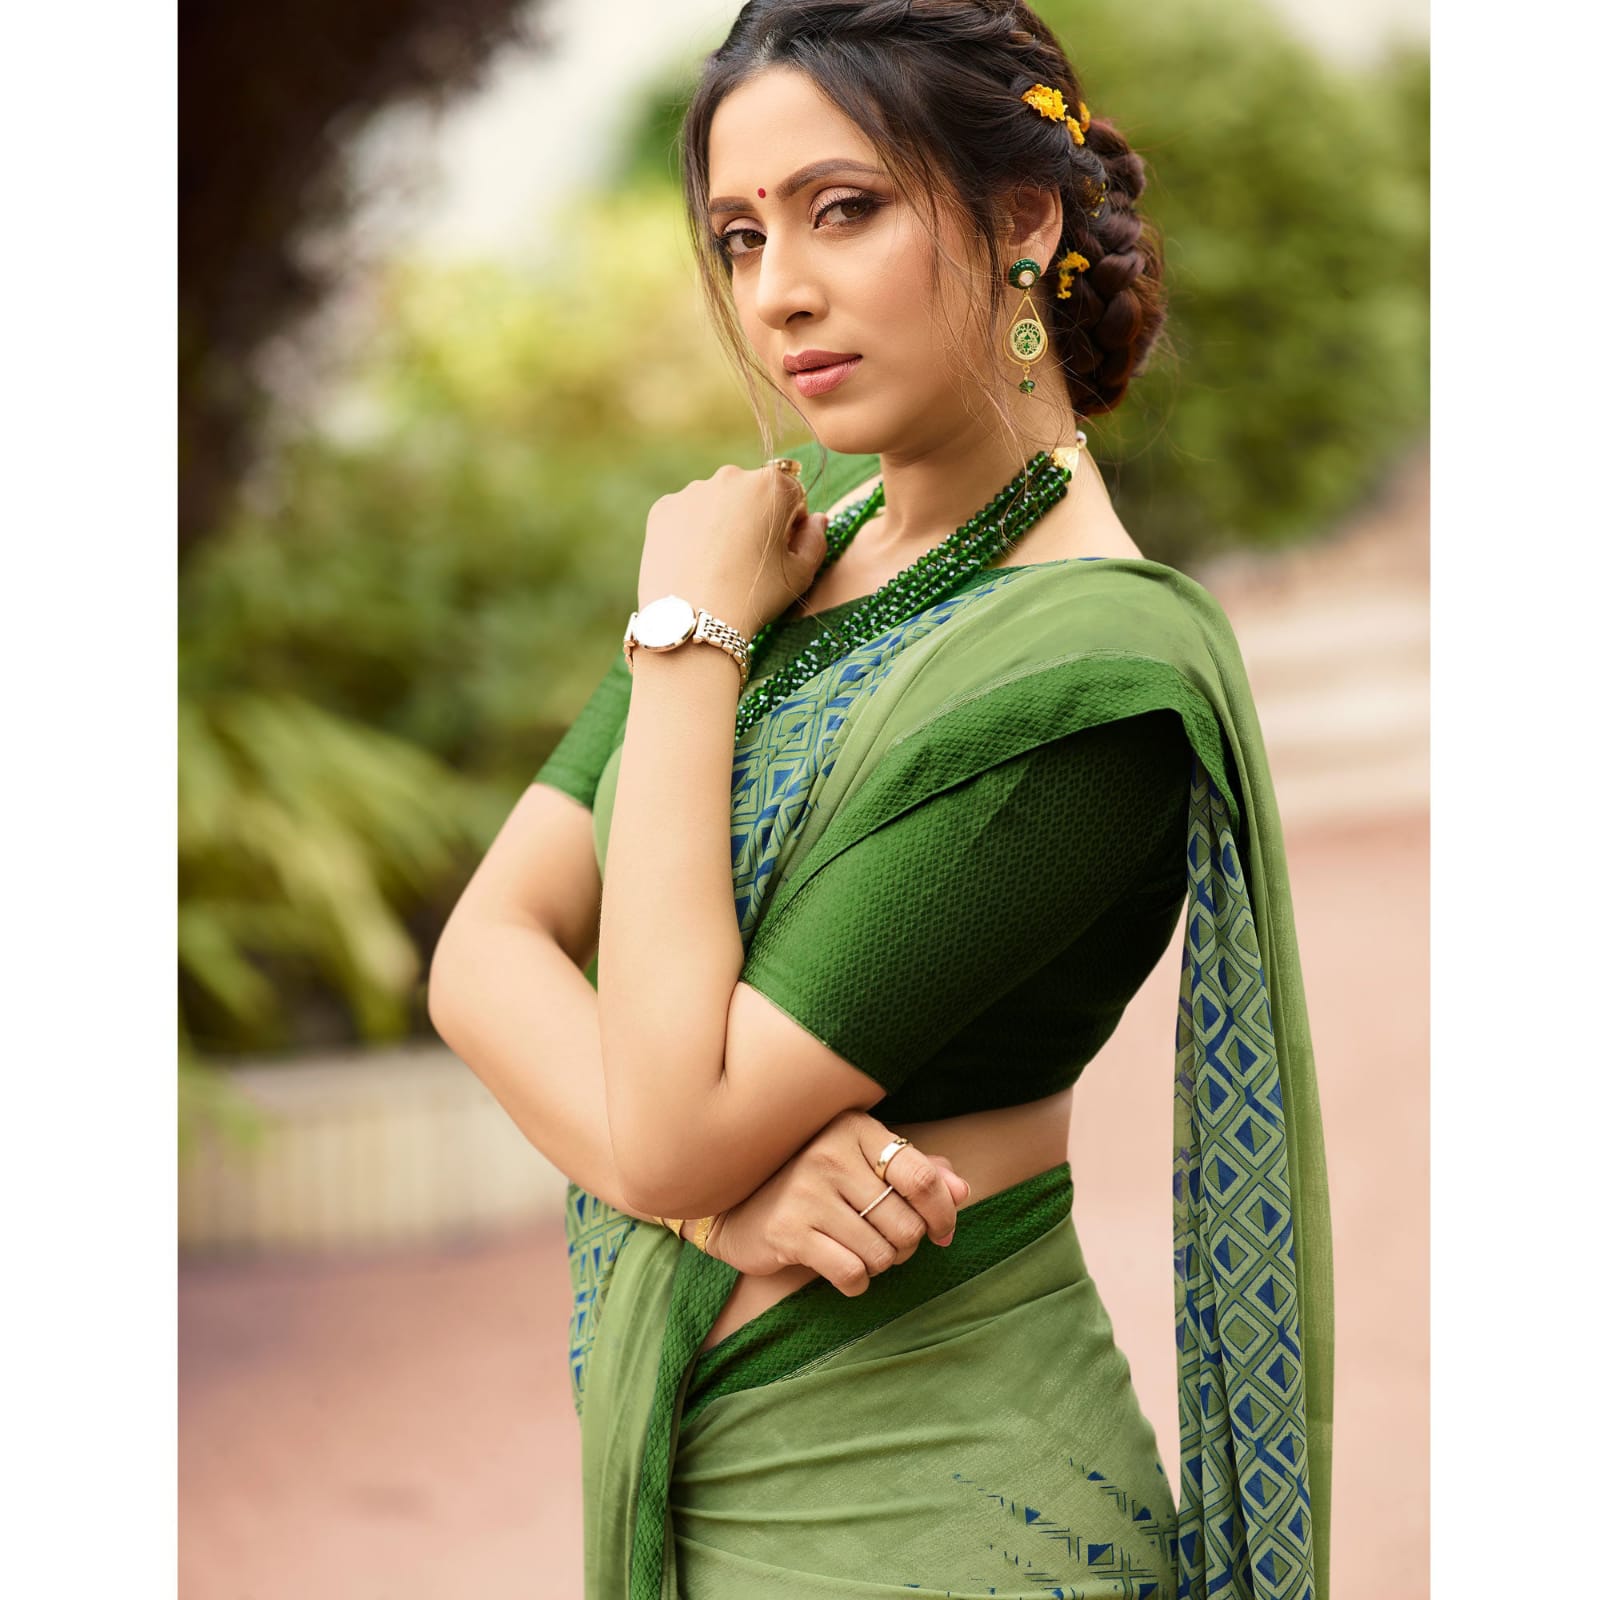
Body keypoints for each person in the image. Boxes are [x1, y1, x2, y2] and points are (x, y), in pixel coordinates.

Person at [426, 2, 1335, 1595]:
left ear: (1019, 220)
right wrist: (726, 1205)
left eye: (845, 210)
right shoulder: (792, 547)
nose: (779, 291)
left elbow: (668, 1123)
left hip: (941, 1521)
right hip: (730, 1497)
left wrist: (689, 647)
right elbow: (484, 947)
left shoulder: (1088, 669)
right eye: (737, 235)